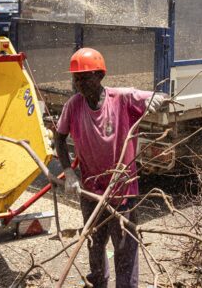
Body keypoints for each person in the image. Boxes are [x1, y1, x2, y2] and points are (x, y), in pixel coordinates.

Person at [55, 48, 165, 288]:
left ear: (100, 76)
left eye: (85, 78)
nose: (79, 84)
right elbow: (59, 139)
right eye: (76, 78)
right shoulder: (73, 106)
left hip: (121, 191)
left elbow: (157, 96)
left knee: (125, 248)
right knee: (95, 243)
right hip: (91, 190)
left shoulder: (121, 99)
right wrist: (70, 172)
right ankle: (98, 283)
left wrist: (157, 99)